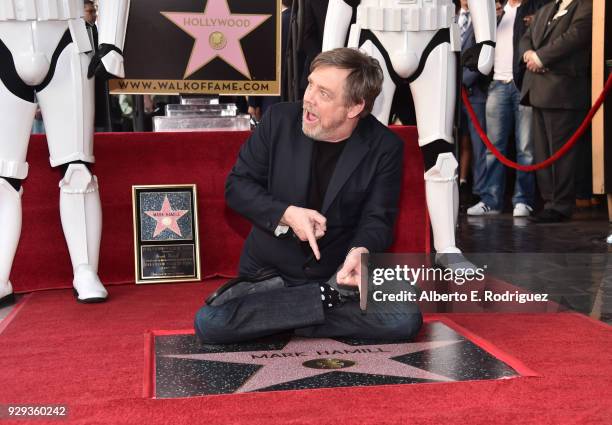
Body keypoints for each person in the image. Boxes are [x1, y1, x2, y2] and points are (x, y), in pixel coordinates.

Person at [194, 48, 422, 344]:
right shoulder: (278, 120)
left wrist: (361, 251)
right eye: (310, 84)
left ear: (353, 107)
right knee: (210, 323)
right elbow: (237, 187)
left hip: (335, 278)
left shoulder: (384, 146)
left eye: (324, 94)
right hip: (270, 277)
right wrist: (286, 213)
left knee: (404, 319)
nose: (309, 98)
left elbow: (378, 219)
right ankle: (315, 306)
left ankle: (280, 319)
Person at [0, 0, 130, 305]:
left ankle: (85, 269)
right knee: (4, 175)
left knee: (77, 168)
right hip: (6, 36)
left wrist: (112, 40)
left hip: (67, 35)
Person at [467, 0, 549, 218]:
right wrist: (491, 19)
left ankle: (523, 200)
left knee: (526, 148)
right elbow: (478, 45)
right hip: (496, 84)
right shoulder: (497, 11)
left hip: (522, 84)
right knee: (493, 148)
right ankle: (490, 201)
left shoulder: (534, 7)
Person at [520, 0, 593, 222]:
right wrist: (528, 55)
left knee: (562, 154)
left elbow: (575, 36)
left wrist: (541, 57)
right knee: (543, 153)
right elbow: (526, 36)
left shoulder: (587, 6)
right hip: (538, 89)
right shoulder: (548, 8)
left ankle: (560, 205)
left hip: (563, 91)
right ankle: (550, 201)